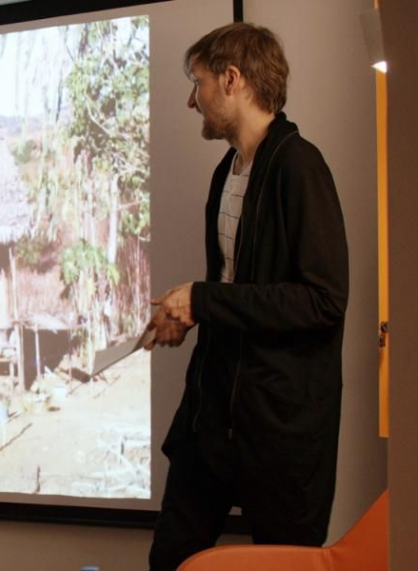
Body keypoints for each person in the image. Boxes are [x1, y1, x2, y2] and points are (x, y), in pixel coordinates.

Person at [144, 23, 348, 571]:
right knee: (170, 560)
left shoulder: (301, 167)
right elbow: (239, 291)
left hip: (280, 435)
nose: (192, 99)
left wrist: (205, 300)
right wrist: (187, 312)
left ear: (232, 80)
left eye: (199, 81)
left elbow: (323, 302)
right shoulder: (226, 173)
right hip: (211, 419)